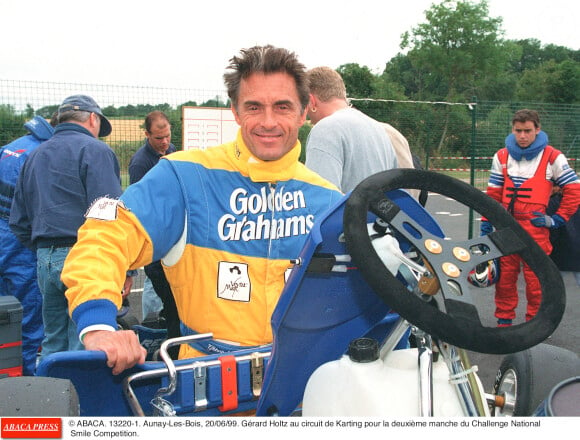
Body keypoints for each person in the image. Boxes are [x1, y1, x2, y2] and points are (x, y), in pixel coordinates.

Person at [61, 45, 343, 375]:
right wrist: (97, 324)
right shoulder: (185, 177)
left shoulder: (328, 199)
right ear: (236, 112)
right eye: (254, 107)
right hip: (205, 391)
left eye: (282, 107)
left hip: (300, 387)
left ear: (302, 112)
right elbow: (104, 236)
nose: (269, 122)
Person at [9, 95, 134, 363]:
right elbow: (110, 214)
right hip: (85, 258)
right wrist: (126, 268)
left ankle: (51, 401)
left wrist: (44, 250)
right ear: (93, 118)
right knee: (86, 339)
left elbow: (18, 221)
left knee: (52, 341)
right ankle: (80, 404)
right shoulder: (96, 151)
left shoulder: (35, 155)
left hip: (44, 259)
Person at [482, 109, 580, 326]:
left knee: (536, 280)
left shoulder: (553, 157)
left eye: (527, 131)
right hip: (506, 226)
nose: (523, 136)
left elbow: (574, 189)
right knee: (505, 279)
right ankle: (504, 322)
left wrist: (557, 219)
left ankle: (535, 324)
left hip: (536, 228)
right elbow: (493, 195)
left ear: (537, 130)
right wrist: (486, 223)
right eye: (518, 131)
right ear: (513, 130)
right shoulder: (502, 156)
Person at [0, 115, 55, 375]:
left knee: (4, 315)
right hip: (20, 242)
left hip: (4, 234)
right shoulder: (41, 154)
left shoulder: (12, 147)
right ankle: (29, 383)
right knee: (30, 317)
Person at [128, 110, 180, 358]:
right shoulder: (140, 163)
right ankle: (167, 347)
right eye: (158, 137)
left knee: (179, 304)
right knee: (168, 301)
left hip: (177, 240)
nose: (164, 142)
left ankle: (173, 341)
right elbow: (141, 208)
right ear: (147, 134)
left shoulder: (175, 153)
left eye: (167, 136)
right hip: (157, 246)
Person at [304, 66, 398, 193]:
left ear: (311, 101)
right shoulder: (379, 129)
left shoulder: (324, 130)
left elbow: (320, 198)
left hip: (347, 213)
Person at [547, 186, 580, 287]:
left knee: (553, 287)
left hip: (560, 250)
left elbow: (551, 229)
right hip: (573, 249)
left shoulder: (552, 202)